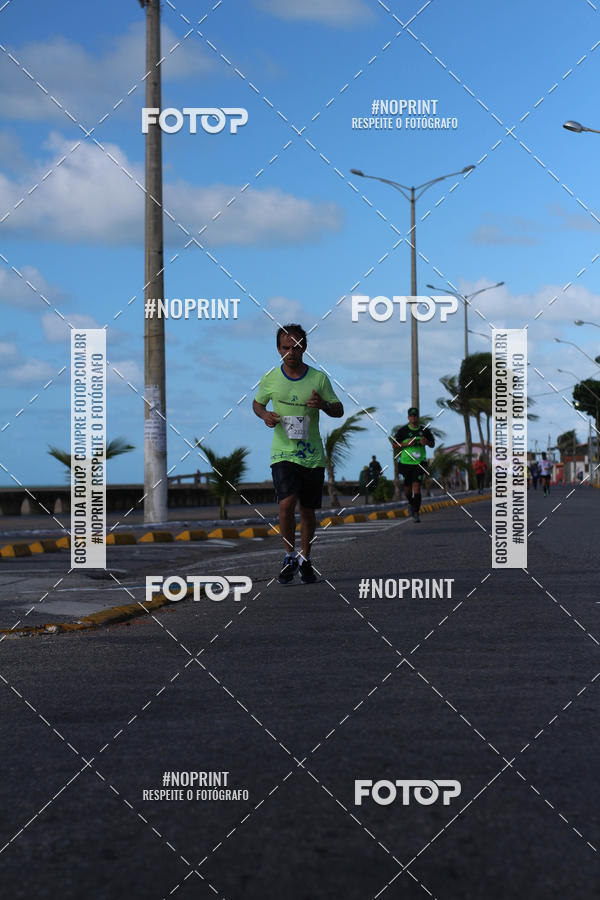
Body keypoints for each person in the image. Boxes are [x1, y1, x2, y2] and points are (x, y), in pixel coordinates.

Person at [253, 324, 343, 584]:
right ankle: (289, 555)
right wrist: (265, 415)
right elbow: (257, 403)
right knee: (286, 503)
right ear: (278, 349)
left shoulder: (318, 379)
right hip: (283, 452)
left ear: (304, 347)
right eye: (285, 347)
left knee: (307, 511)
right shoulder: (270, 378)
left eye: (295, 347)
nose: (290, 352)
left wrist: (324, 405)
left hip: (312, 454)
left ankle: (306, 558)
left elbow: (339, 409)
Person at [392, 407, 435, 523]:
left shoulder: (424, 430)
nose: (413, 418)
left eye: (415, 416)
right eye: (411, 416)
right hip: (406, 463)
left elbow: (432, 444)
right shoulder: (403, 431)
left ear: (418, 417)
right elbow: (394, 445)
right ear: (408, 417)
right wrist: (406, 443)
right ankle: (410, 503)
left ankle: (416, 512)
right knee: (407, 489)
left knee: (416, 487)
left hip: (419, 463)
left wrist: (426, 442)